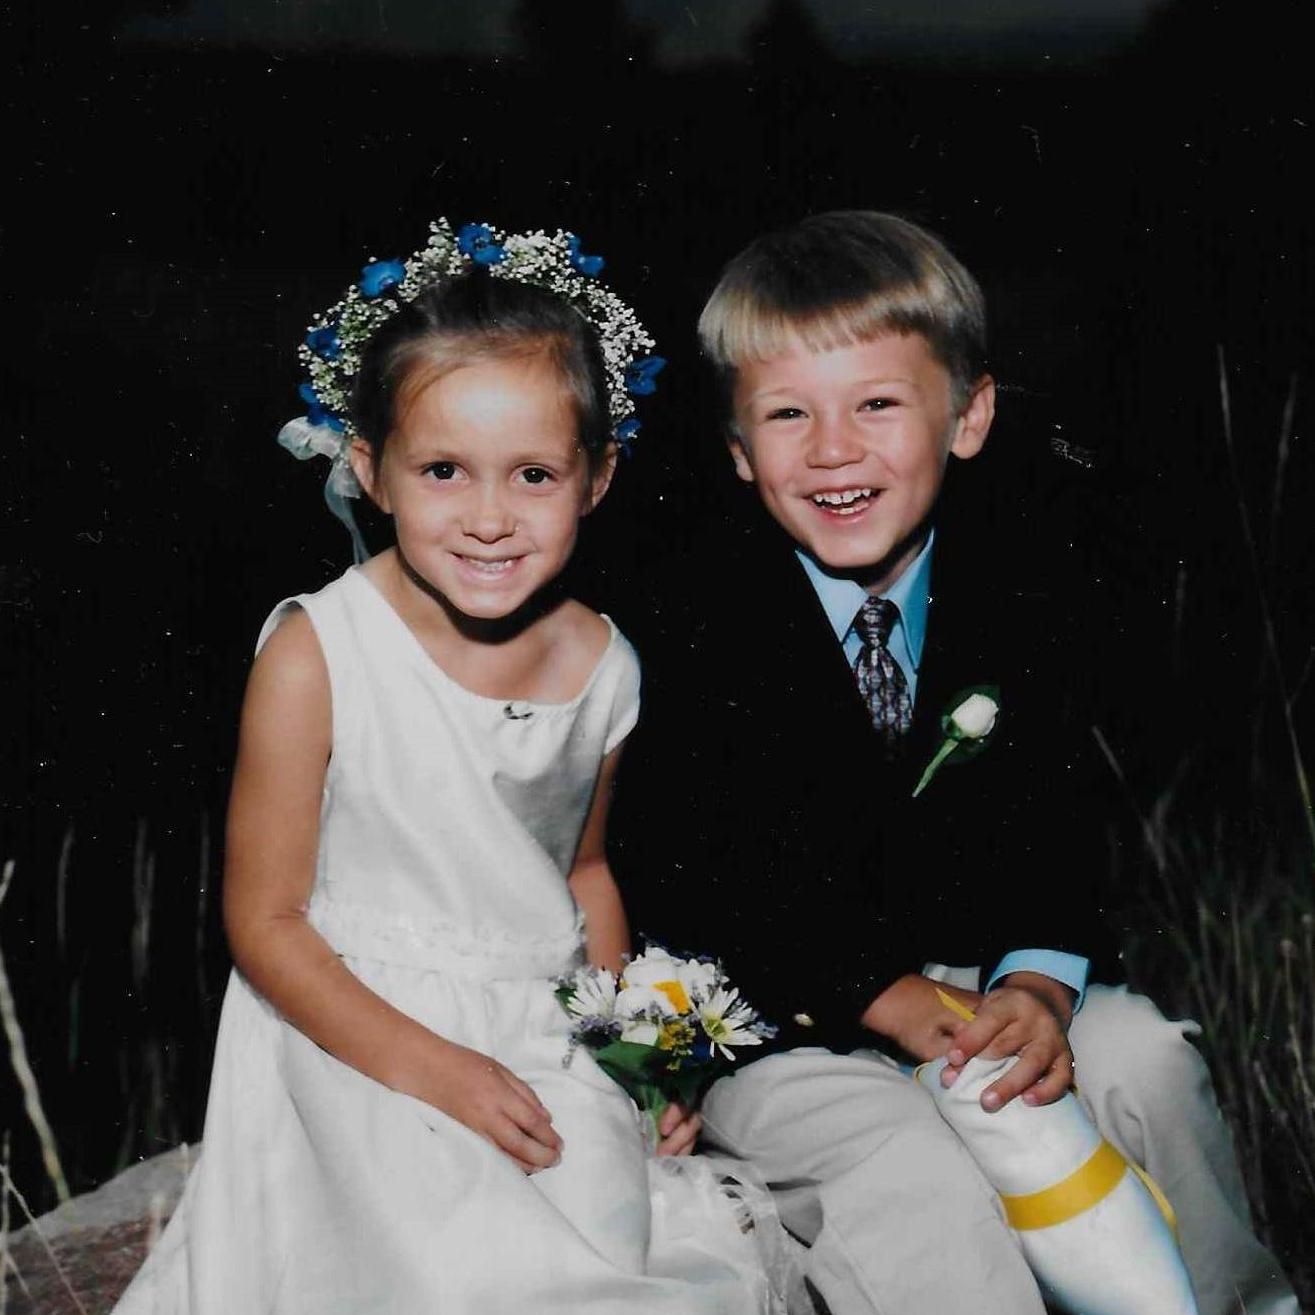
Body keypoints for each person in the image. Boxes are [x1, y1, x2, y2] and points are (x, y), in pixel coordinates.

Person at [607, 210, 1298, 1315]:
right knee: (909, 1169)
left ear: (968, 416)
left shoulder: (1027, 585)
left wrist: (1034, 980)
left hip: (977, 984)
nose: (832, 450)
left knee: (1148, 1062)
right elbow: (695, 870)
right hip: (778, 1029)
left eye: (878, 404)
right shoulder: (690, 623)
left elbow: (1055, 820)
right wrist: (879, 996)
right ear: (738, 452)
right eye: (787, 415)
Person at [112, 219, 794, 1315]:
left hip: (536, 1023)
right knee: (464, 1273)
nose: (488, 518)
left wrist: (638, 1064)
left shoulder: (604, 662)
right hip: (354, 1033)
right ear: (371, 470)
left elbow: (581, 875)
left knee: (624, 1253)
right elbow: (266, 923)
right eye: (442, 470)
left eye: (532, 474)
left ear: (598, 478)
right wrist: (444, 1071)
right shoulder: (315, 652)